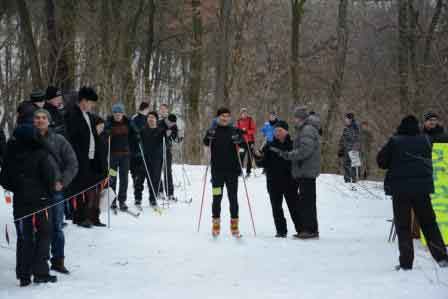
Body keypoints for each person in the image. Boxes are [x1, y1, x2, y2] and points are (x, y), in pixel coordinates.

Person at [377, 115, 448, 270]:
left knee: (403, 227)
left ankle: (406, 263)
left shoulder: (395, 141)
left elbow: (381, 162)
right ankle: (442, 257)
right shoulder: (425, 141)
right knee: (429, 224)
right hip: (422, 190)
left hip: (400, 191)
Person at [0, 125, 58, 286]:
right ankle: (39, 272)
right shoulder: (41, 153)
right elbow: (50, 178)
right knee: (43, 235)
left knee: (24, 238)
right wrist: (48, 192)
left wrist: (19, 188)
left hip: (22, 203)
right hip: (41, 202)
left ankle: (24, 274)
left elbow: (4, 180)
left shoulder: (10, 155)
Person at [34, 109, 78, 274]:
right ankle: (37, 261)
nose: (40, 120)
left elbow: (73, 163)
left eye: (43, 118)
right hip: (34, 191)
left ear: (49, 120)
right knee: (36, 227)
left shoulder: (59, 140)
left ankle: (58, 260)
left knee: (56, 227)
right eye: (37, 118)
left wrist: (62, 181)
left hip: (55, 191)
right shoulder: (27, 139)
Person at [269, 107, 321, 239]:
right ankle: (310, 229)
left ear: (300, 118)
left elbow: (305, 150)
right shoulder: (306, 129)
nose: (294, 120)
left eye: (295, 118)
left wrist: (288, 155)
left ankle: (310, 230)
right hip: (305, 170)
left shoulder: (307, 129)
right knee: (306, 201)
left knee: (307, 202)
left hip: (306, 170)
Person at [255, 120, 301, 238]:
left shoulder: (293, 144)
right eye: (275, 130)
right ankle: (281, 231)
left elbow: (298, 162)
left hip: (290, 181)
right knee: (276, 207)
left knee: (294, 206)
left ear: (286, 131)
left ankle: (301, 229)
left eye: (280, 130)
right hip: (273, 181)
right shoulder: (269, 145)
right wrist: (257, 157)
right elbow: (261, 164)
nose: (277, 133)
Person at [204, 107, 244, 237]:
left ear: (230, 118)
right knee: (217, 198)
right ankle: (216, 225)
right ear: (217, 118)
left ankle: (234, 226)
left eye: (227, 116)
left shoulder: (235, 130)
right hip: (217, 173)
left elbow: (243, 145)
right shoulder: (212, 130)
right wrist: (208, 137)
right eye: (222, 116)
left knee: (233, 198)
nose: (225, 118)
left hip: (232, 172)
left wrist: (239, 140)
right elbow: (205, 142)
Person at [65, 87, 100, 228]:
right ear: (84, 101)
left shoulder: (87, 115)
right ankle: (79, 216)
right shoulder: (73, 115)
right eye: (91, 102)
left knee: (87, 186)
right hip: (79, 157)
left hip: (89, 157)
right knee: (79, 187)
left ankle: (88, 215)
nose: (92, 106)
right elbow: (72, 137)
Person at [106, 103, 131, 211]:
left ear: (122, 113)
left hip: (125, 156)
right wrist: (107, 133)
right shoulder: (109, 123)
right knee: (112, 178)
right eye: (115, 113)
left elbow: (134, 133)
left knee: (124, 178)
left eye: (119, 113)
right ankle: (112, 200)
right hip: (113, 156)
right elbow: (104, 134)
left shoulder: (128, 122)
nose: (117, 115)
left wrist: (137, 136)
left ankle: (122, 200)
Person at [140, 111, 166, 207]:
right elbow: (139, 140)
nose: (150, 119)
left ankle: (153, 198)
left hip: (157, 158)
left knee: (155, 178)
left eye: (153, 117)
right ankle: (149, 197)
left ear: (156, 119)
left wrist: (167, 136)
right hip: (146, 157)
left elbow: (166, 142)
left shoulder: (160, 130)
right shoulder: (143, 130)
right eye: (149, 117)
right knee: (148, 178)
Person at [130, 102, 150, 207]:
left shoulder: (147, 119)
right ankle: (137, 197)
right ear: (145, 109)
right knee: (136, 176)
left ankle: (139, 197)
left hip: (143, 152)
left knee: (141, 175)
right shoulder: (135, 118)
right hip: (135, 152)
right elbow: (132, 131)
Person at [158, 113, 179, 201]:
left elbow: (175, 138)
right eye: (171, 124)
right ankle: (160, 191)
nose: (172, 125)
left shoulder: (174, 126)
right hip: (158, 150)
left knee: (168, 171)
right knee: (157, 171)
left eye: (173, 124)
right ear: (167, 120)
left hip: (167, 150)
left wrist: (177, 137)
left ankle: (170, 193)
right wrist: (164, 134)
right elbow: (155, 135)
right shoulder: (159, 123)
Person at [338, 113, 360, 184]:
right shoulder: (346, 127)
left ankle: (354, 181)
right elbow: (343, 138)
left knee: (353, 165)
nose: (345, 120)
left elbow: (356, 139)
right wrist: (341, 149)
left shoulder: (355, 127)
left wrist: (354, 148)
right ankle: (347, 181)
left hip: (353, 149)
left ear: (350, 119)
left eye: (346, 118)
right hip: (346, 149)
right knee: (346, 165)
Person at [236, 108, 256, 177]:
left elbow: (253, 130)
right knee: (241, 156)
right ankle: (239, 171)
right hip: (242, 141)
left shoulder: (250, 120)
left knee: (250, 156)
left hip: (250, 141)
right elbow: (237, 130)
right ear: (241, 114)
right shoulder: (239, 121)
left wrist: (247, 132)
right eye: (242, 113)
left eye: (245, 113)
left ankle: (248, 171)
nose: (244, 114)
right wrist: (239, 133)